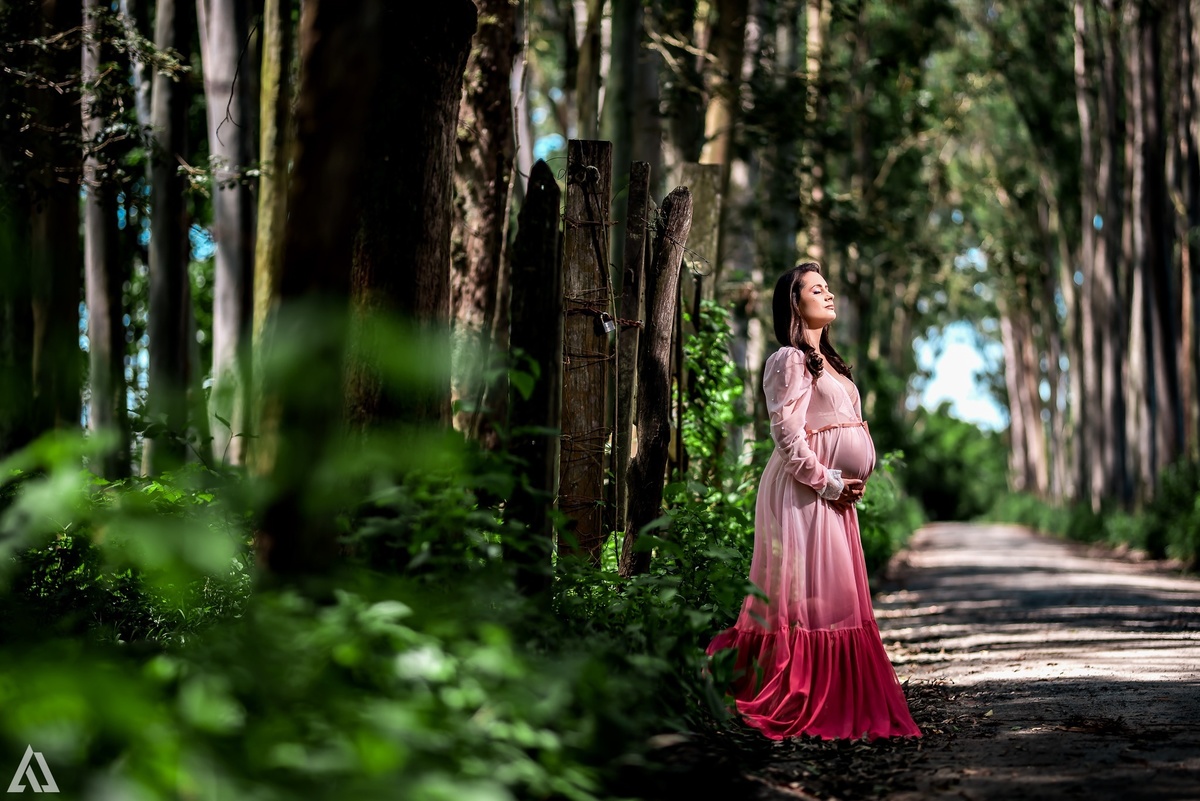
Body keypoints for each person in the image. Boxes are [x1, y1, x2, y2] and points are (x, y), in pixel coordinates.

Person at [706, 261, 921, 741]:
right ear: (794, 304)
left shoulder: (831, 362)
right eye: (815, 290)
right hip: (804, 492)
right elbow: (786, 435)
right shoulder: (788, 359)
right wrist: (827, 481)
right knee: (810, 603)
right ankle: (793, 689)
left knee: (833, 600)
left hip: (833, 498)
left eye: (828, 288)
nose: (828, 295)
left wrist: (845, 483)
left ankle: (837, 696)